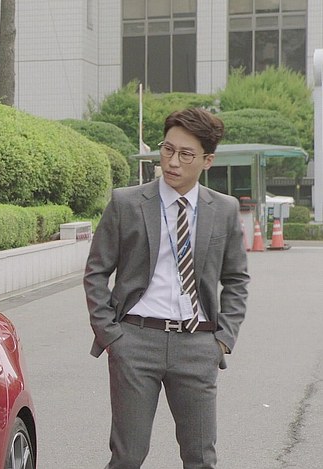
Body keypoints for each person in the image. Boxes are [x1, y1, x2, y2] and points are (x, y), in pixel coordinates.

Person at [84, 108, 249, 469]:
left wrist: (223, 339)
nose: (172, 162)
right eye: (167, 149)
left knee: (200, 457)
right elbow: (96, 271)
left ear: (207, 160)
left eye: (186, 154)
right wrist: (111, 335)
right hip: (135, 341)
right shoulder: (126, 203)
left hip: (197, 344)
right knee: (128, 456)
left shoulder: (223, 209)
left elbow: (237, 279)